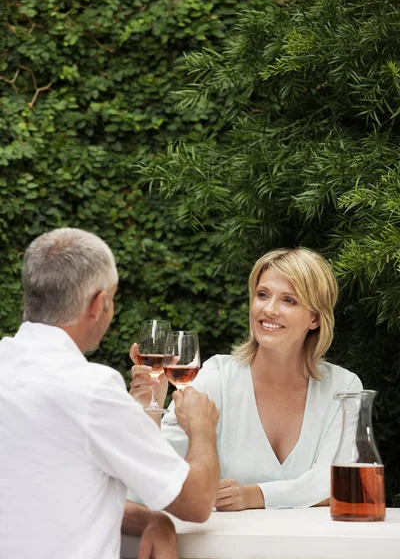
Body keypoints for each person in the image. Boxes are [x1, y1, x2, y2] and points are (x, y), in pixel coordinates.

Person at [0, 228, 220, 559]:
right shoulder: (92, 390)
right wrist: (203, 427)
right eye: (113, 299)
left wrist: (149, 518)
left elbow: (48, 491)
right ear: (99, 303)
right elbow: (196, 502)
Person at [130, 247, 363, 510]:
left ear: (315, 319)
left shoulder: (344, 387)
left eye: (289, 300)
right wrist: (150, 406)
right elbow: (156, 477)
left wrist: (255, 495)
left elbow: (338, 481)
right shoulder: (216, 377)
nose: (270, 309)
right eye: (263, 295)